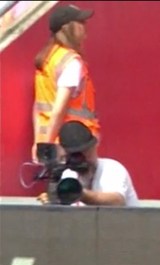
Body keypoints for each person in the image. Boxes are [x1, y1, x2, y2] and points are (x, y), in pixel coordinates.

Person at [33, 3, 99, 153]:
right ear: (66, 29)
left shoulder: (48, 59)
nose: (85, 26)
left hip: (50, 143)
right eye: (80, 22)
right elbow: (58, 110)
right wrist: (47, 147)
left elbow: (38, 107)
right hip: (70, 146)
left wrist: (39, 143)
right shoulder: (71, 63)